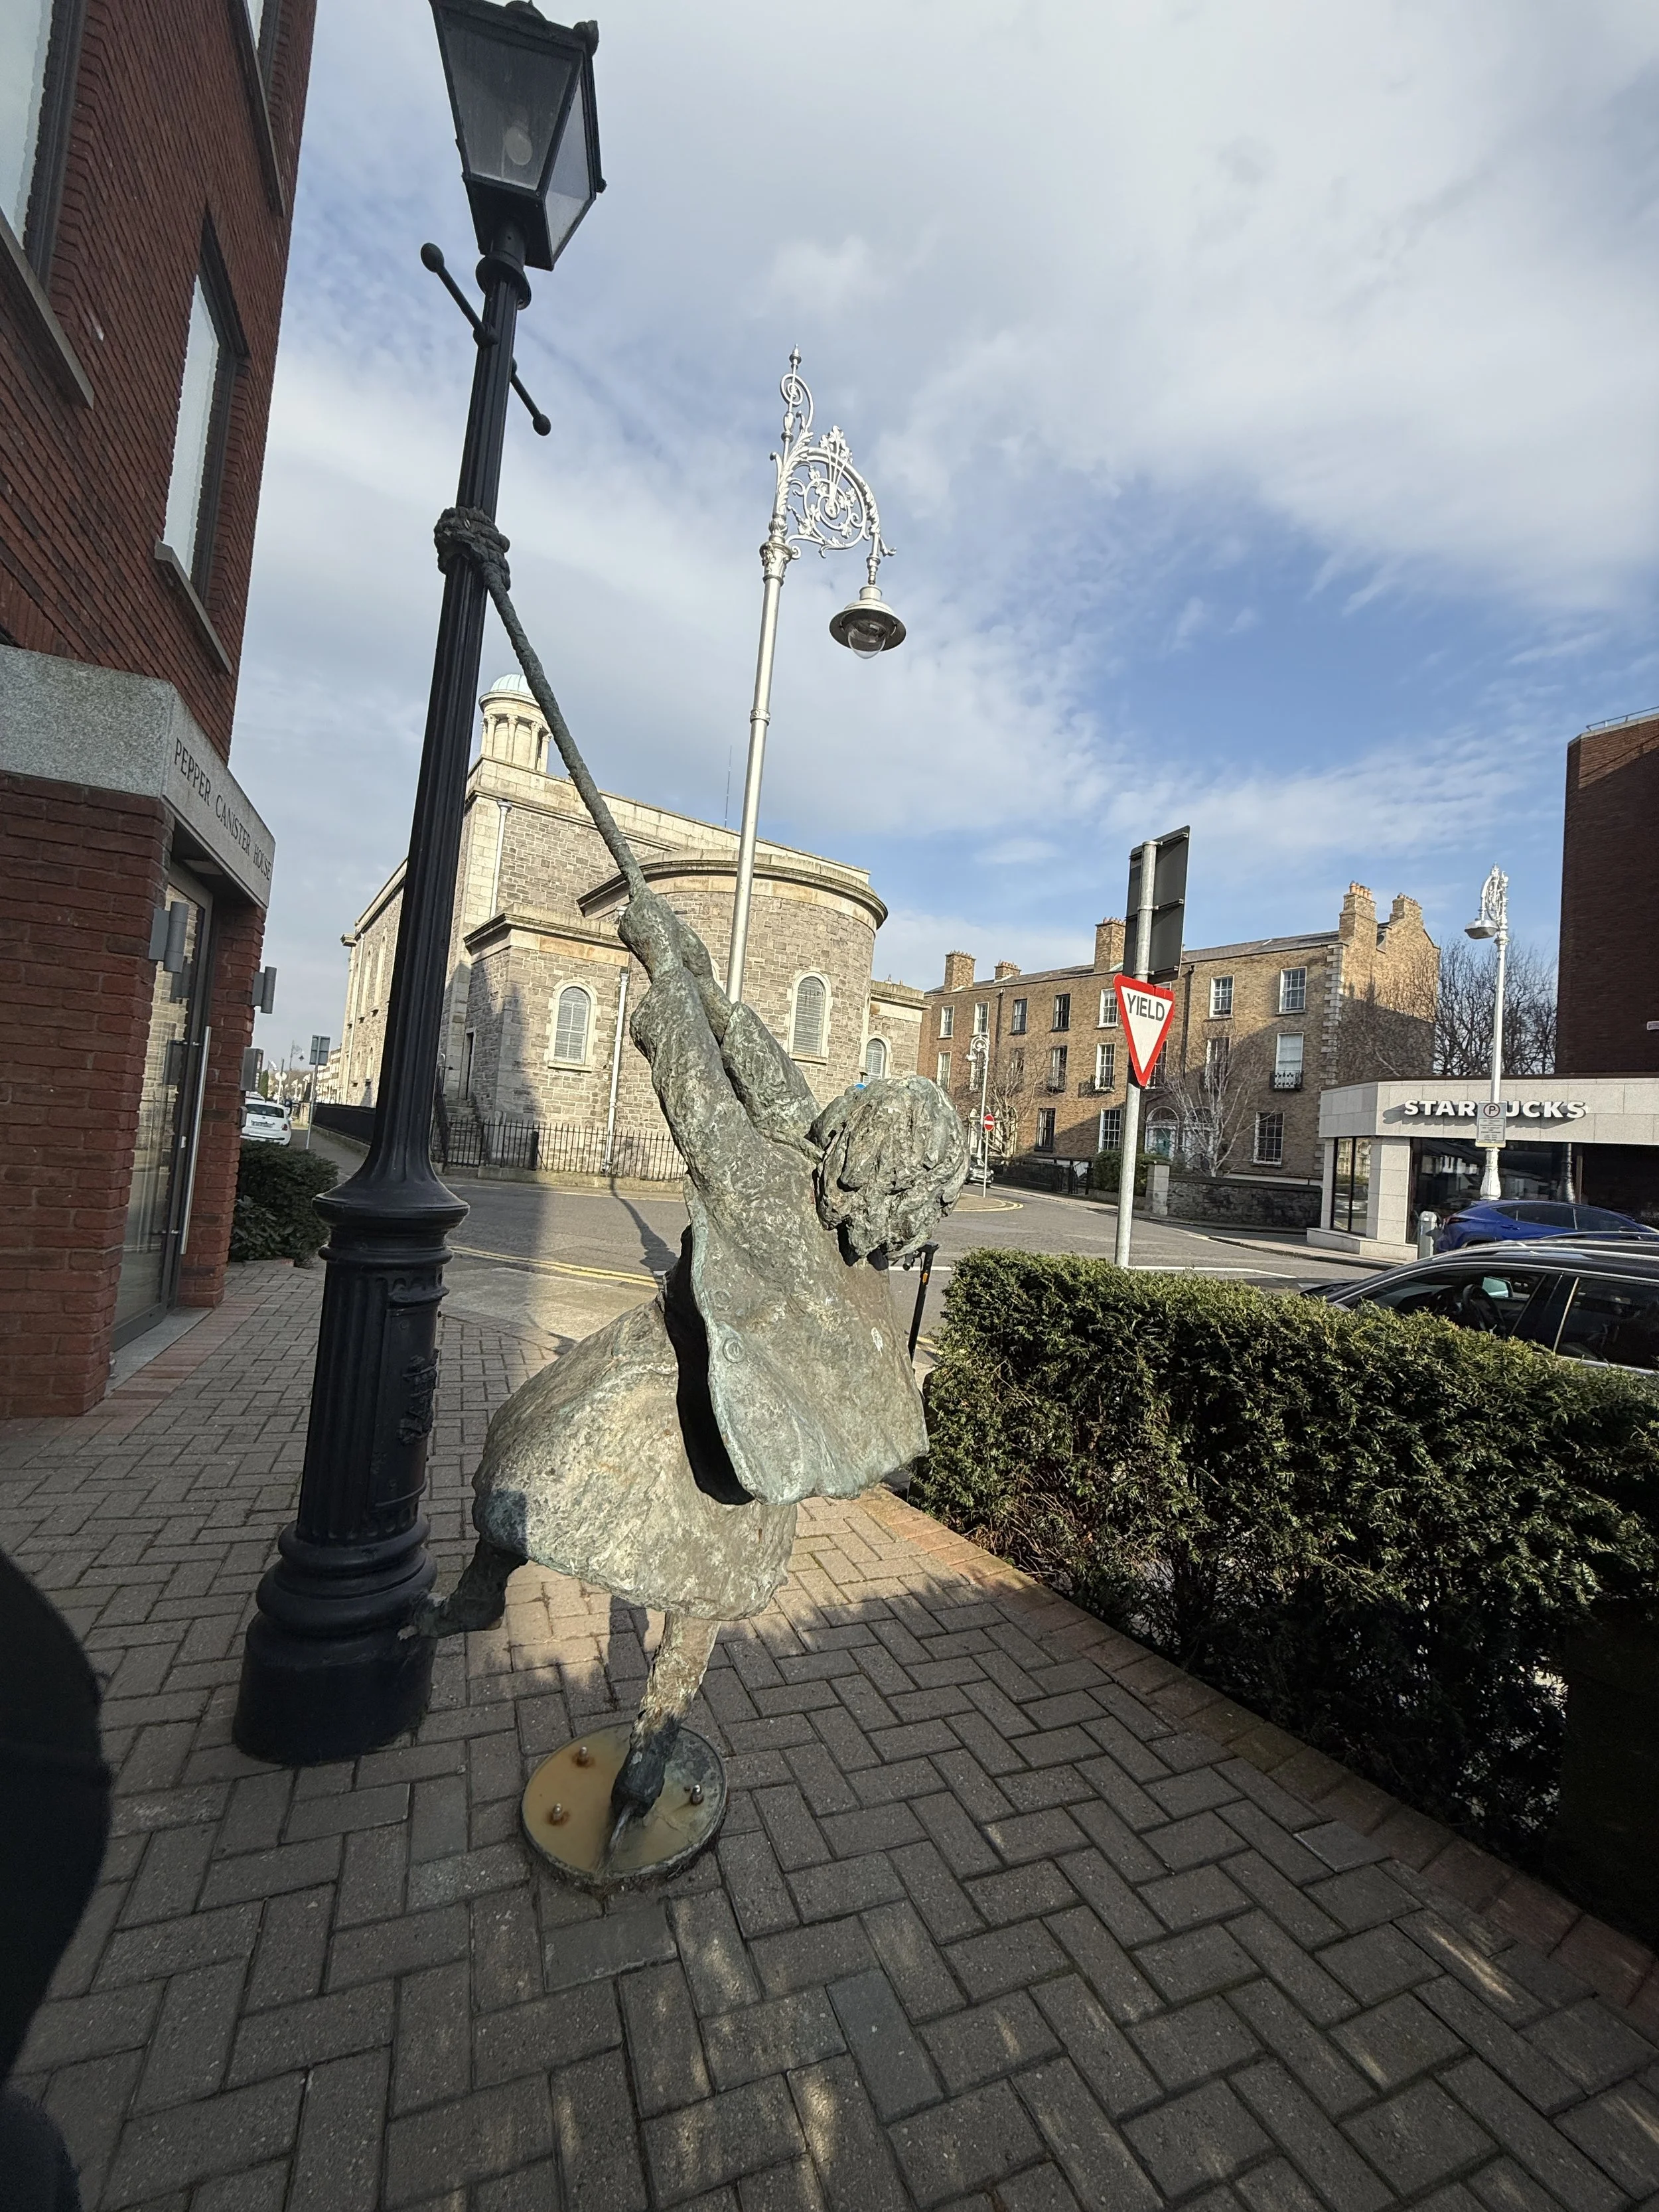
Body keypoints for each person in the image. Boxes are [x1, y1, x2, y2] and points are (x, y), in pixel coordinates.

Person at [427, 885, 968, 1830]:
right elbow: (775, 1084)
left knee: (530, 1468)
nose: (832, 1110)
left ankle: (508, 1616)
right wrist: (707, 981)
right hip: (735, 1411)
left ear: (850, 1144)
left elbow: (699, 1097)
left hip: (667, 1374)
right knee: (699, 1586)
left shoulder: (766, 1183)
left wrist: (664, 976)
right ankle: (647, 1730)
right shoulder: (847, 1230)